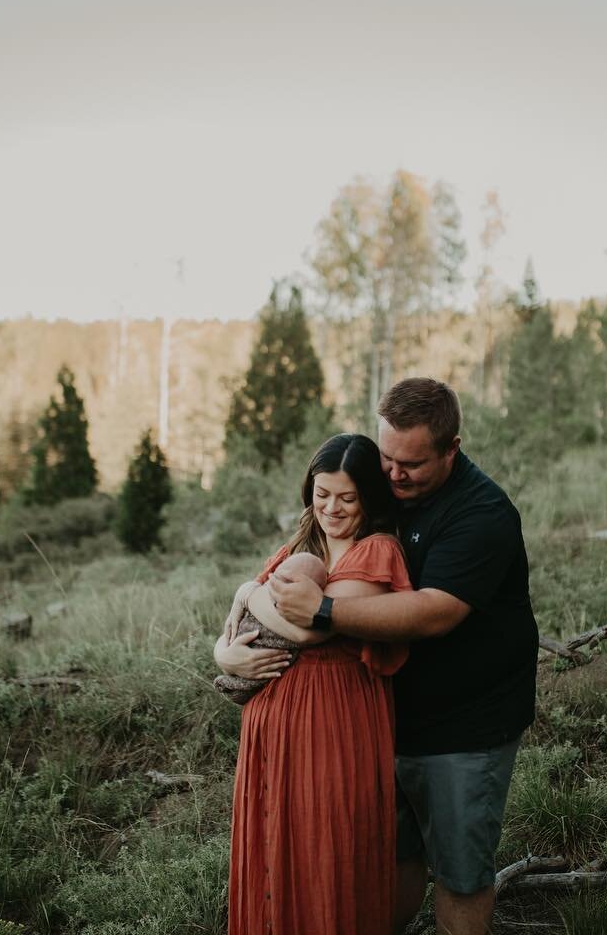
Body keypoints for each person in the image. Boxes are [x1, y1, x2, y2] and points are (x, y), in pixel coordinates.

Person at [268, 378, 537, 935]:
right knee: (388, 858)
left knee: (461, 876)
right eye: (386, 456)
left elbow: (434, 612)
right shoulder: (385, 490)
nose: (393, 475)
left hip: (465, 726)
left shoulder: (482, 514)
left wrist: (323, 612)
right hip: (381, 717)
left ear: (451, 449)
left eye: (410, 464)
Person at [213, 433, 412, 935]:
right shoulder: (298, 549)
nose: (332, 508)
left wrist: (246, 591)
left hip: (333, 723)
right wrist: (223, 654)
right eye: (322, 494)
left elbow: (306, 627)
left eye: (347, 497)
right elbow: (231, 633)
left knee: (326, 844)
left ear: (368, 495)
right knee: (274, 848)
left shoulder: (376, 552)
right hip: (271, 725)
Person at [212, 551, 326, 704]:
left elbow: (306, 633)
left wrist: (247, 593)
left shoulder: (350, 561)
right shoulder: (288, 553)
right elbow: (234, 625)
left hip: (302, 699)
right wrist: (223, 655)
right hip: (260, 706)